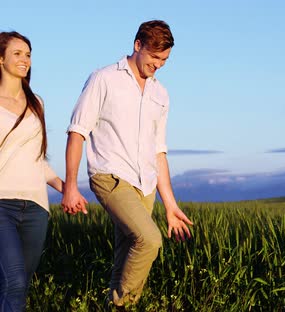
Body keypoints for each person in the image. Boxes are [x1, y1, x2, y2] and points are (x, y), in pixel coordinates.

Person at [61, 20, 194, 309]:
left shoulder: (161, 94)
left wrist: (170, 205)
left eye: (165, 60)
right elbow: (77, 131)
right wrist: (70, 186)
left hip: (145, 183)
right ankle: (123, 306)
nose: (159, 65)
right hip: (109, 176)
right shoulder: (104, 78)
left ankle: (111, 303)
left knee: (126, 254)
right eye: (154, 57)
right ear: (137, 46)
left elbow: (159, 152)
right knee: (150, 240)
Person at [0, 31, 72, 312]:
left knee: (17, 284)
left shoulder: (36, 103)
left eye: (28, 54)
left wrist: (65, 187)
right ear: (1, 58)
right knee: (14, 282)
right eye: (17, 53)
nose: (24, 60)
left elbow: (37, 158)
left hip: (35, 207)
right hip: (1, 203)